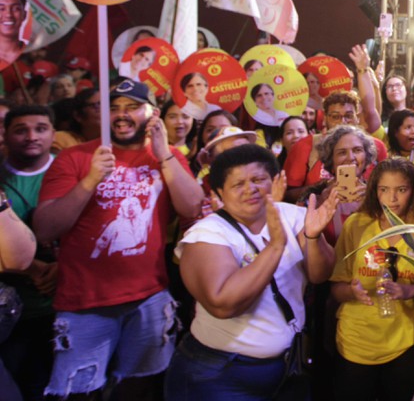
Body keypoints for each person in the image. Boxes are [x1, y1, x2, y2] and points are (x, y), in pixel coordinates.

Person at [32, 79, 204, 399]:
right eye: (114, 108)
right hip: (85, 304)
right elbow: (46, 229)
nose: (122, 115)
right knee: (79, 391)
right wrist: (91, 179)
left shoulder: (165, 157)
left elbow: (191, 207)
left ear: (151, 113)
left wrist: (164, 153)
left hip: (149, 297)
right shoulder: (75, 158)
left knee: (141, 387)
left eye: (132, 107)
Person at [164, 144, 339, 400]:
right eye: (238, 184)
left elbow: (319, 274)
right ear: (220, 192)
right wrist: (276, 244)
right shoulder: (207, 234)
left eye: (259, 179)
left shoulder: (296, 216)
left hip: (287, 368)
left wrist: (313, 237)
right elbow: (223, 304)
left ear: (276, 180)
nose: (251, 189)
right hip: (220, 374)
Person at [330, 158, 414, 401]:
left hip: (405, 343)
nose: (392, 199)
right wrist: (352, 292)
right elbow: (336, 289)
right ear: (374, 191)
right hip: (356, 342)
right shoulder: (356, 225)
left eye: (401, 190)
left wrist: (411, 291)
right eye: (384, 190)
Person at [0, 106, 58, 400]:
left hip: (64, 305)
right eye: (21, 130)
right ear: (5, 136)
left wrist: (62, 268)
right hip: (12, 312)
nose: (31, 136)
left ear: (53, 134)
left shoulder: (72, 171)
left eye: (40, 128)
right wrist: (33, 268)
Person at [0, 0, 28, 67]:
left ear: (24, 15)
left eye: (16, 8)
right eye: (1, 9)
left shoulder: (31, 54)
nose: (8, 15)